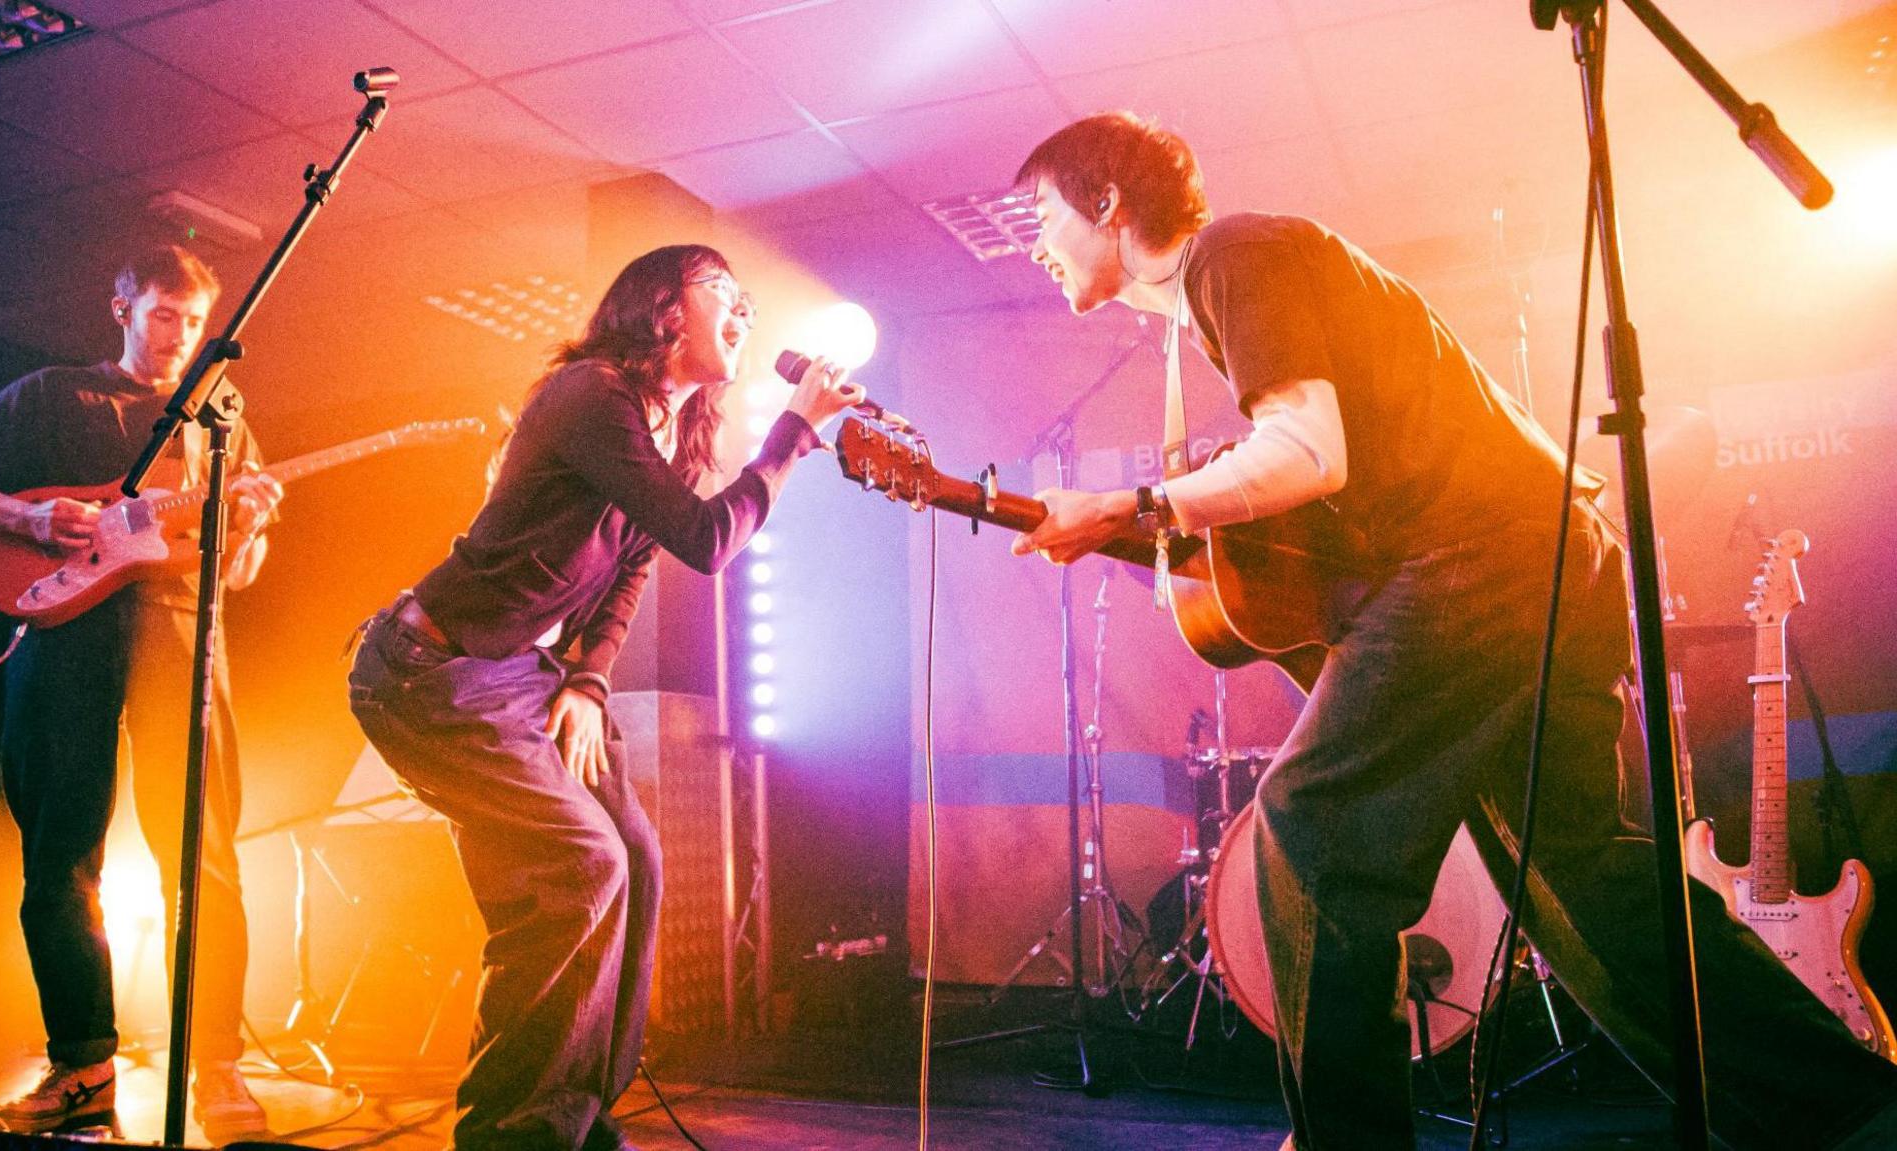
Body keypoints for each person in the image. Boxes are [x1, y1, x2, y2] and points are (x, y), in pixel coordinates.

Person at [1007, 112, 1897, 1150]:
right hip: (1544, 551)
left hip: (1488, 558)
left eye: (1041, 211)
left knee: (1310, 828)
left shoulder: (1233, 255)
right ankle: (1849, 1109)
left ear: (1107, 203)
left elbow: (1303, 450)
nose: (1032, 240)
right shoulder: (1223, 290)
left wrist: (1132, 506)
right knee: (1582, 882)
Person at [346, 244, 863, 1151]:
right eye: (724, 294)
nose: (744, 312)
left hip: (515, 677)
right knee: (583, 868)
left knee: (636, 859)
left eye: (748, 301)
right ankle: (515, 1131)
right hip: (429, 673)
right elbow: (707, 540)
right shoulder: (592, 395)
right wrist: (793, 436)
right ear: (665, 307)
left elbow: (634, 570)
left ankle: (575, 1115)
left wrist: (588, 679)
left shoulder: (673, 431)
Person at [0, 245, 282, 1139]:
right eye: (164, 316)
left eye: (194, 323)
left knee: (204, 855)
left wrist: (248, 528)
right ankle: (83, 1065)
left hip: (183, 637)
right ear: (121, 306)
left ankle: (218, 1065)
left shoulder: (218, 414)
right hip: (67, 634)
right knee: (59, 856)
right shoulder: (51, 394)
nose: (180, 338)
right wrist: (27, 517)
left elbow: (240, 571)